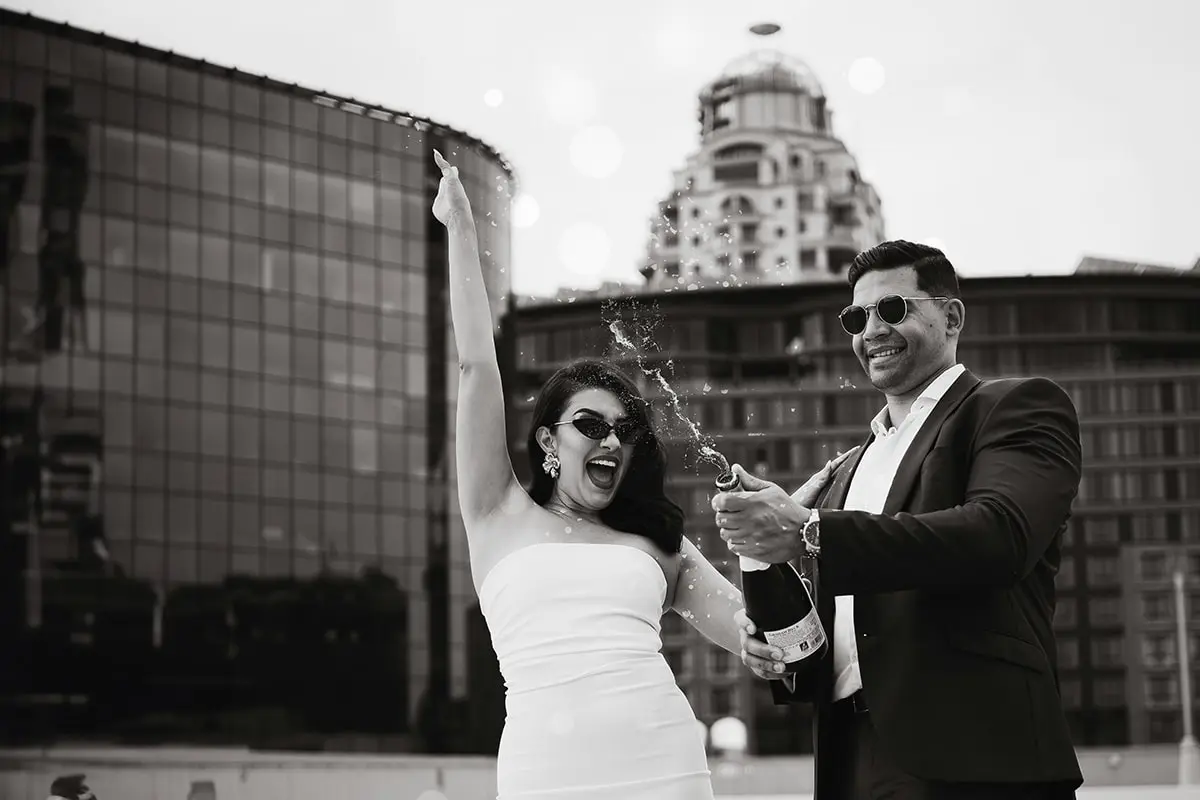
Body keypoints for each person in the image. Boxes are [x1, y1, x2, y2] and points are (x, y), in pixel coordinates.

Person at [431, 149, 847, 799]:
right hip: (546, 780)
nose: (612, 441)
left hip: (665, 770)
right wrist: (460, 230)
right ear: (547, 440)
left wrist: (762, 620)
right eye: (590, 426)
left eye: (625, 430)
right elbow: (476, 368)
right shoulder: (496, 511)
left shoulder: (657, 541)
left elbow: (745, 625)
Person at [713, 240, 1084, 799]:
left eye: (893, 310)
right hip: (849, 758)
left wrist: (811, 531)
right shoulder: (845, 471)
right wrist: (776, 646)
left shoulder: (1013, 407)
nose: (871, 332)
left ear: (951, 316)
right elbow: (840, 614)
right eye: (856, 318)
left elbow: (998, 535)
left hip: (976, 759)